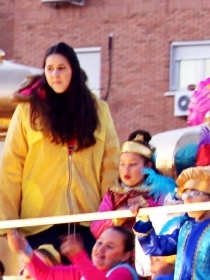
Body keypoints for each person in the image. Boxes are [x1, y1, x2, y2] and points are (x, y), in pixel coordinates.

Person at [0, 42, 120, 255]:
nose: (55, 74)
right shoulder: (28, 109)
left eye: (61, 68)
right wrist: (8, 223)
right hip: (40, 223)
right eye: (49, 68)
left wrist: (109, 217)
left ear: (73, 70)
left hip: (87, 223)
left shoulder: (98, 109)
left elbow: (110, 166)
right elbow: (11, 166)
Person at [133, 143, 210, 280]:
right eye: (185, 194)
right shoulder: (185, 229)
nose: (187, 199)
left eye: (194, 194)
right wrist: (144, 219)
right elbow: (154, 247)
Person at [91, 130, 177, 238]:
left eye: (132, 164)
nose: (126, 169)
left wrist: (147, 206)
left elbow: (171, 219)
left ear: (148, 166)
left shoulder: (160, 190)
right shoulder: (113, 193)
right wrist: (118, 216)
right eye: (122, 164)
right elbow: (95, 229)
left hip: (146, 250)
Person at [9, 228, 138, 280]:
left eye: (110, 246)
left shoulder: (124, 272)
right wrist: (25, 248)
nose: (101, 249)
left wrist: (78, 256)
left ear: (125, 255)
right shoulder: (81, 271)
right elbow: (45, 274)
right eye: (99, 243)